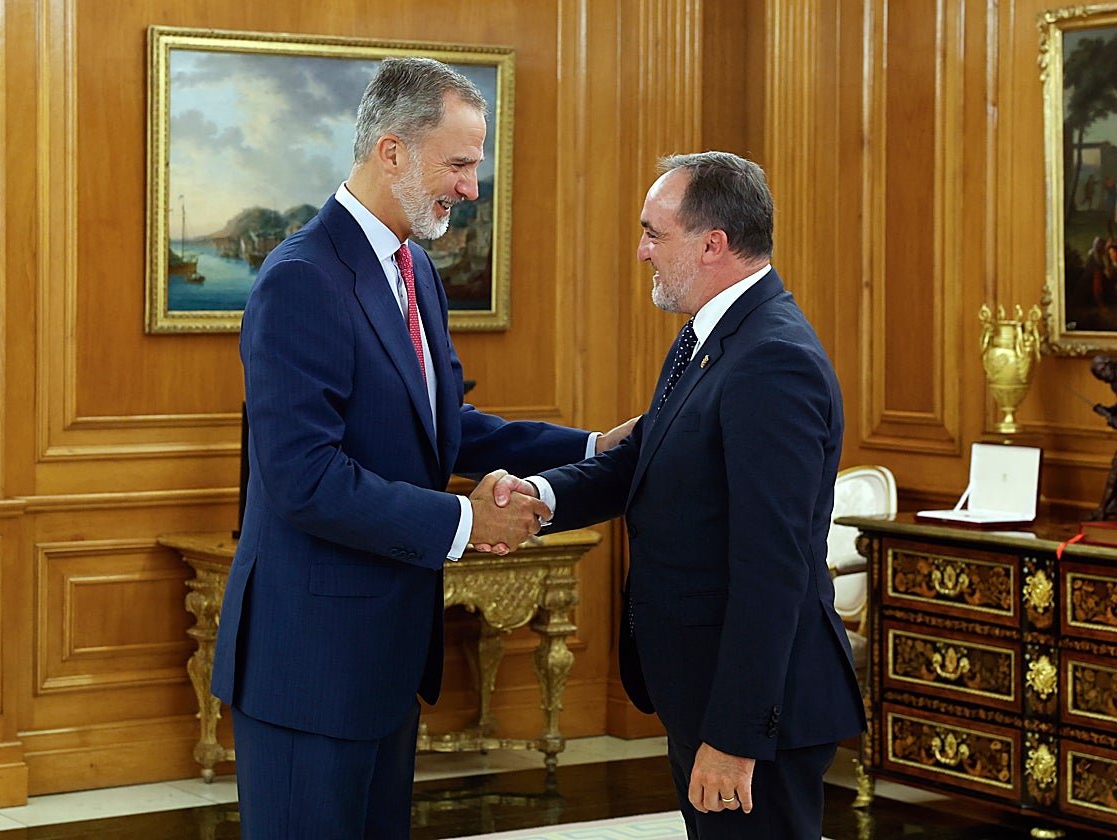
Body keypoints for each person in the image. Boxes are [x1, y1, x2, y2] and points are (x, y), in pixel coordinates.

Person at [211, 57, 634, 839]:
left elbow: (443, 426)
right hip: (310, 668)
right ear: (392, 151)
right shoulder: (300, 278)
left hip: (385, 661)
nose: (471, 188)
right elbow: (305, 478)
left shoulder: (413, 270)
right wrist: (467, 522)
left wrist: (589, 445)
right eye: (460, 164)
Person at [485, 152, 866, 839]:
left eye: (654, 234)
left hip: (753, 713)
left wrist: (733, 737)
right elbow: (645, 460)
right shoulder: (706, 336)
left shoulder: (773, 360)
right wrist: (539, 496)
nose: (642, 252)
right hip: (702, 688)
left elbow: (772, 568)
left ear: (712, 244)